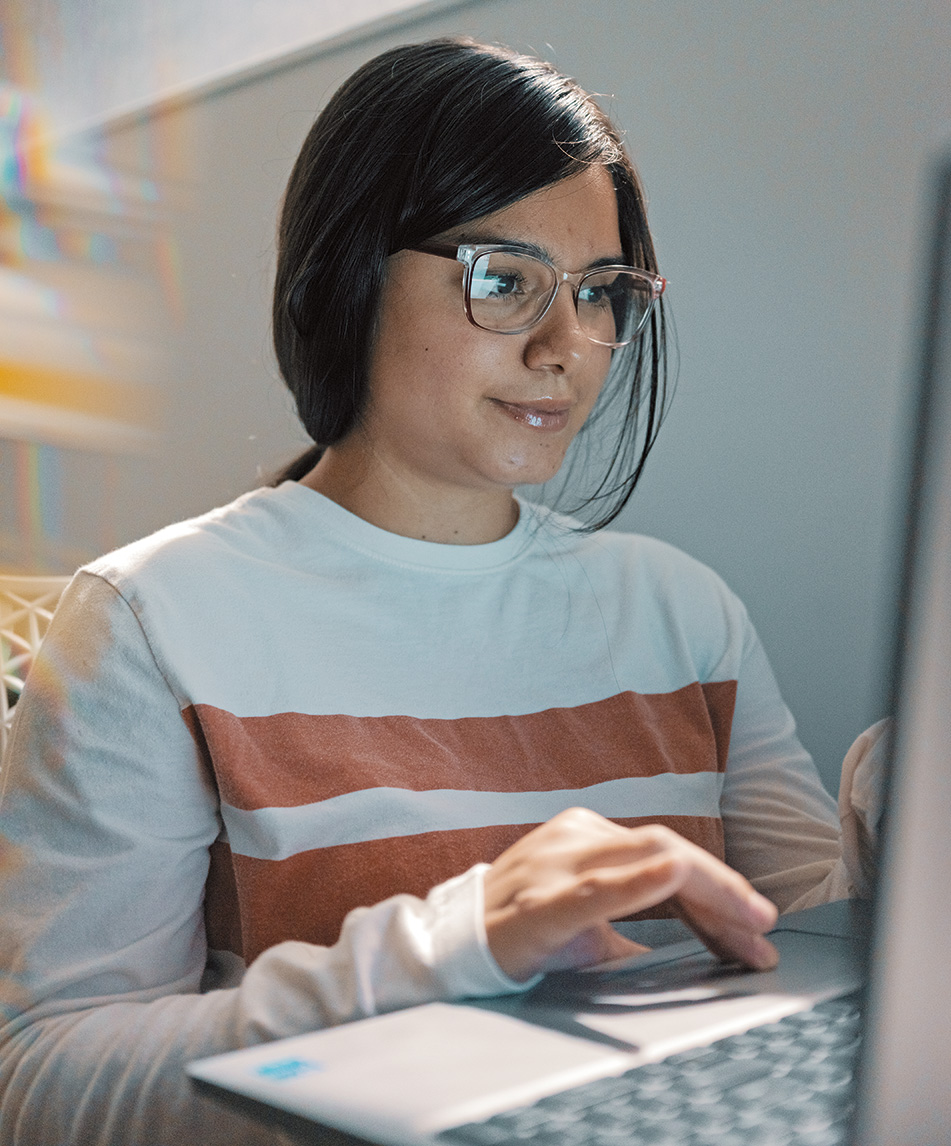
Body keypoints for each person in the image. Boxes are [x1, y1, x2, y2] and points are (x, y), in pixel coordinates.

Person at [0, 37, 879, 1146]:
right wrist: (456, 946)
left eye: (602, 292)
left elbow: (801, 937)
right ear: (352, 272)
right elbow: (47, 1084)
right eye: (504, 281)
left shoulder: (683, 612)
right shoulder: (150, 622)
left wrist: (905, 822)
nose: (569, 347)